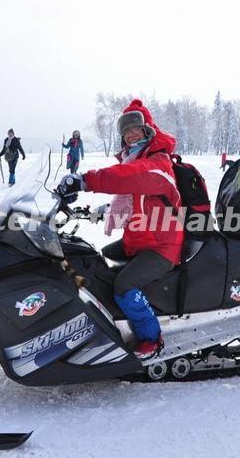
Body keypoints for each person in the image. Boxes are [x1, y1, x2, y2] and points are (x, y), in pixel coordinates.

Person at [58, 99, 183, 359]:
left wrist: (86, 180)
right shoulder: (137, 159)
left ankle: (150, 338)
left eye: (135, 129)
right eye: (125, 132)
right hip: (140, 239)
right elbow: (132, 201)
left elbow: (134, 176)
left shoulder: (159, 163)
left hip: (162, 246)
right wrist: (96, 211)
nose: (130, 135)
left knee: (124, 286)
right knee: (94, 261)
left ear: (148, 130)